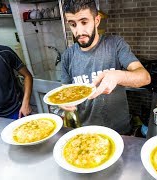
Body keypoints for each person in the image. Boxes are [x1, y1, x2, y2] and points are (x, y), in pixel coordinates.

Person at [60, 0, 151, 134]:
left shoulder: (115, 45)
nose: (79, 31)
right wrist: (63, 103)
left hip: (120, 131)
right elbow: (65, 92)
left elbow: (145, 77)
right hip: (86, 132)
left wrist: (118, 76)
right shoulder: (67, 56)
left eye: (84, 22)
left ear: (97, 20)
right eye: (73, 24)